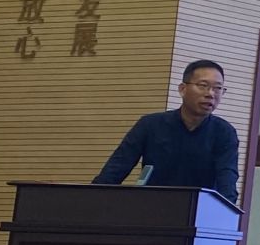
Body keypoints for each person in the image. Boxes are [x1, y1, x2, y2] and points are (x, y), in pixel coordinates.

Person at [93, 59, 242, 207]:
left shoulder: (224, 133)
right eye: (203, 86)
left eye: (218, 88)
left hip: (199, 212)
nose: (210, 94)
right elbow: (115, 170)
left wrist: (226, 212)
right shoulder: (150, 125)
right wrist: (92, 201)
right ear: (183, 89)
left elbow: (227, 182)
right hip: (150, 208)